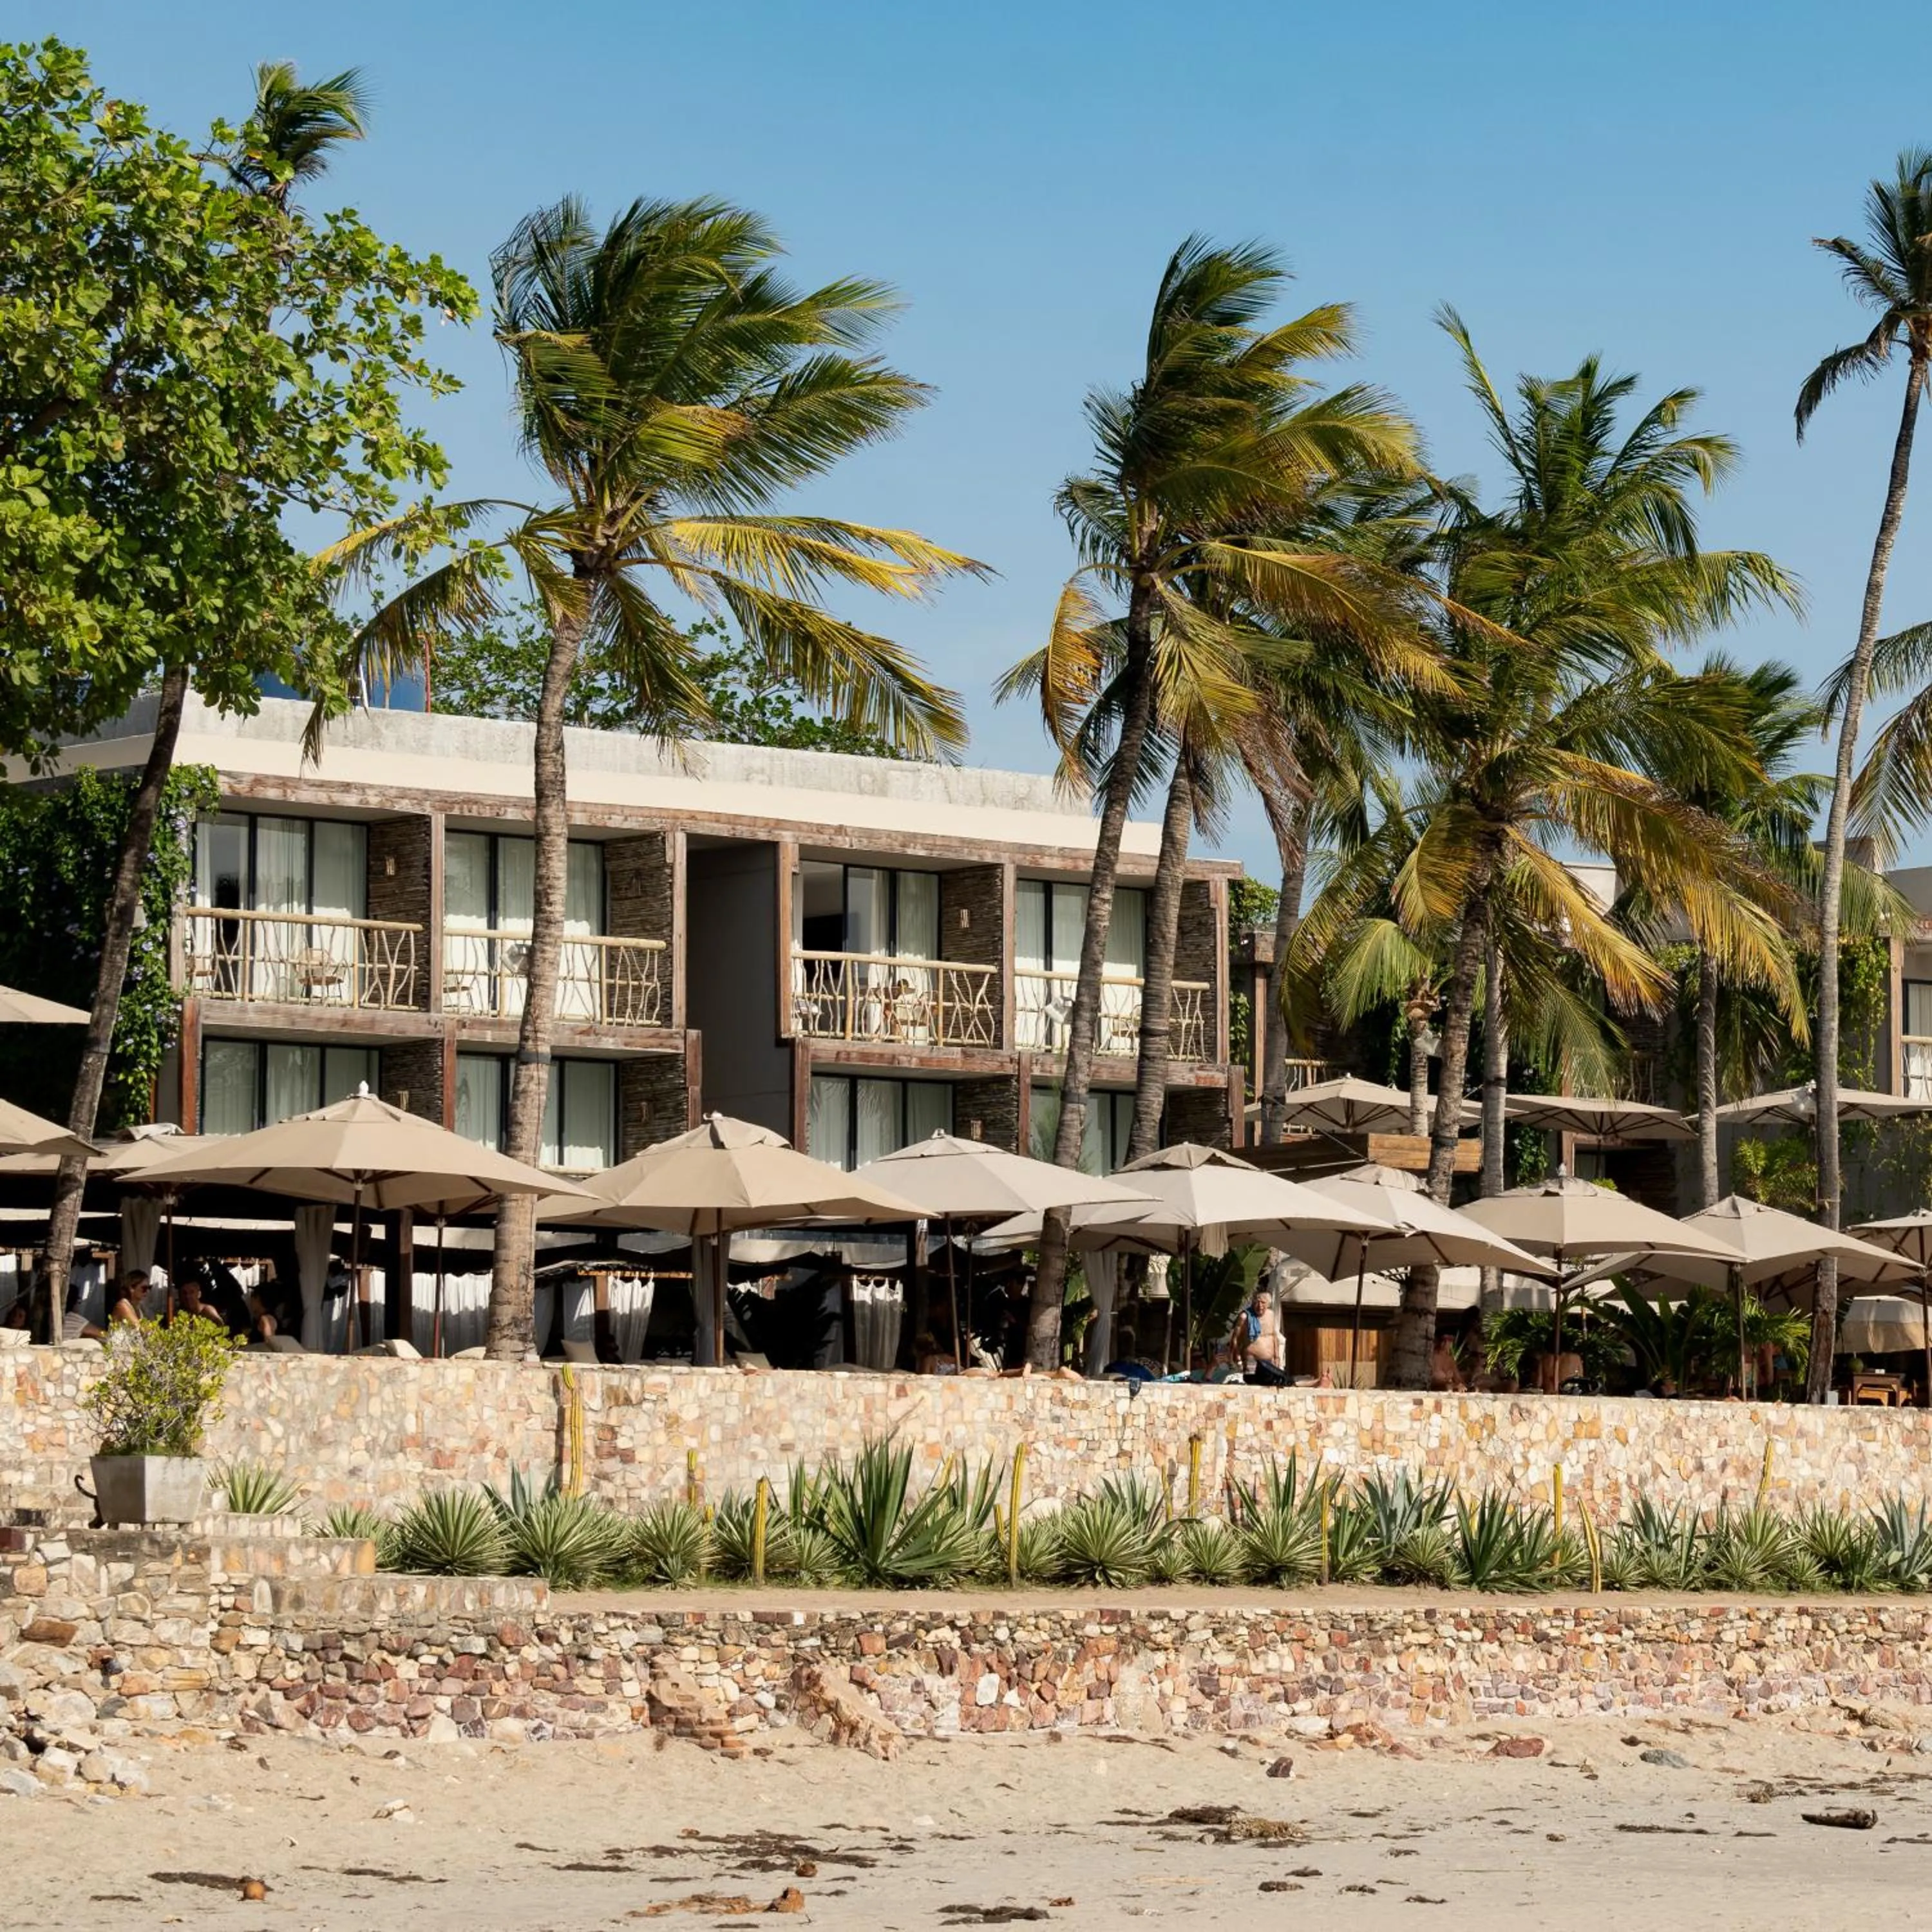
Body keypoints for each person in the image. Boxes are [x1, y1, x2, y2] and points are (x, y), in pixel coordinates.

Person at [1242, 1290, 1287, 1387]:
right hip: (1252, 1358)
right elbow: (1236, 1338)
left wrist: (1277, 1356)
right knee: (1251, 1381)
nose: (1260, 1305)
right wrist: (1237, 1356)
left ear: (1268, 1304)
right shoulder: (1246, 1316)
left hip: (1268, 1361)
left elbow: (1274, 1335)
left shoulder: (1271, 1315)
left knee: (1274, 1381)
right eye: (1257, 1302)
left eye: (1263, 1302)